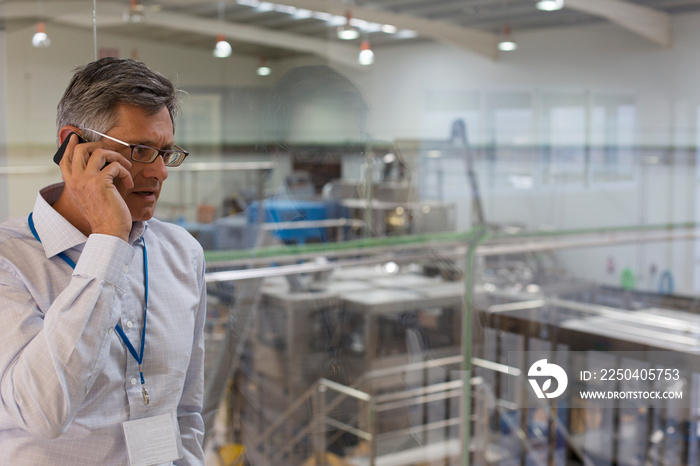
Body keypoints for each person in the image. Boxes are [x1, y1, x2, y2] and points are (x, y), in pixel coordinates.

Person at [0, 57, 206, 465]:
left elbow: (186, 412)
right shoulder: (11, 261)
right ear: (73, 145)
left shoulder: (183, 253)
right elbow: (42, 412)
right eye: (140, 150)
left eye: (165, 152)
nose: (160, 172)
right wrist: (108, 239)